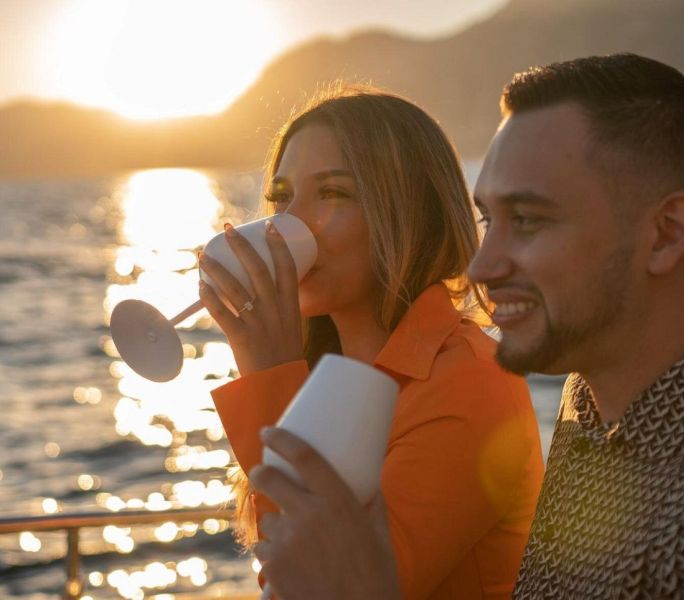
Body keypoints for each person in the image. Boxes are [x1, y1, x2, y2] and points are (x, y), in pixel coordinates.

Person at [250, 53, 684, 598]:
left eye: (530, 220)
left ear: (667, 232)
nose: (483, 266)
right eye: (490, 218)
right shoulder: (587, 401)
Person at [198, 86, 544, 599]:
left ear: (408, 212)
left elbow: (316, 586)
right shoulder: (329, 378)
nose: (288, 223)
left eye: (333, 193)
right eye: (282, 198)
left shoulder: (471, 381)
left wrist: (269, 375)